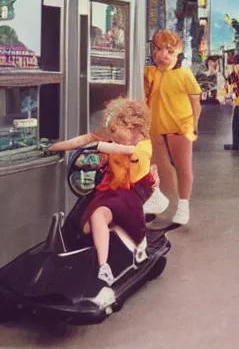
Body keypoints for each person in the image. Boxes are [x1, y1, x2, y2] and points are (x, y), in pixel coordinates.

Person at [48, 99, 154, 285]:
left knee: (100, 217)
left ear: (134, 129)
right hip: (109, 192)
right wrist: (53, 147)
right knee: (91, 224)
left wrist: (101, 147)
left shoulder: (143, 145)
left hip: (129, 195)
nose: (110, 134)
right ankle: (109, 256)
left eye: (115, 129)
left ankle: (116, 257)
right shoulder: (113, 137)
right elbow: (84, 139)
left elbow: (131, 152)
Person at [143, 30, 201, 226]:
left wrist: (193, 126)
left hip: (180, 126)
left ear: (178, 52)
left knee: (183, 166)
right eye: (158, 49)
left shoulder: (184, 74)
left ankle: (183, 205)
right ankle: (157, 196)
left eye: (169, 50)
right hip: (155, 126)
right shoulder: (149, 73)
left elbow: (195, 103)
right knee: (153, 164)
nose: (163, 55)